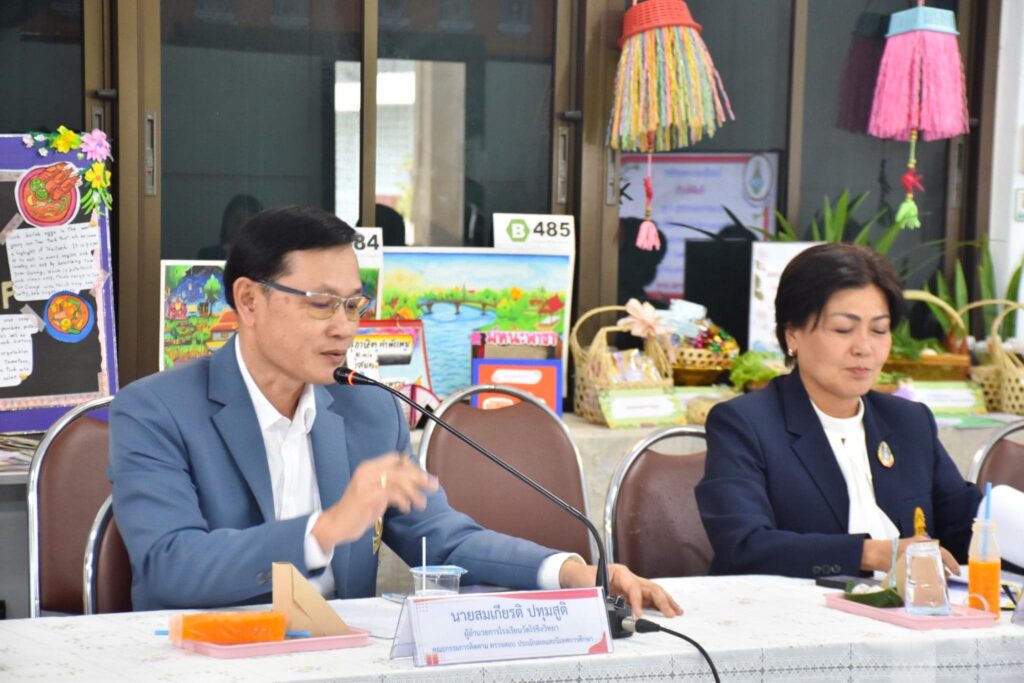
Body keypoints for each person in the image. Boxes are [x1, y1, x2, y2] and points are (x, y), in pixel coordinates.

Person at [110, 205, 682, 616]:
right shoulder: (155, 409)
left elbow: (444, 539)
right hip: (205, 659)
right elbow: (170, 566)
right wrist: (324, 530)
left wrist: (574, 573)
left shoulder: (367, 409)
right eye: (321, 304)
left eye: (353, 305)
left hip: (341, 662)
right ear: (249, 299)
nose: (344, 327)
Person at [695, 243, 984, 579]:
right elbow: (745, 547)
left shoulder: (909, 421)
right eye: (843, 329)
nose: (864, 348)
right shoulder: (746, 424)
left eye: (879, 330)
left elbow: (968, 527)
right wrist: (873, 553)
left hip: (910, 608)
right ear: (793, 334)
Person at [197, 194, 263, 259]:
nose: (241, 227)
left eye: (248, 223)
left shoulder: (264, 256)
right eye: (237, 221)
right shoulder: (207, 255)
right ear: (226, 223)